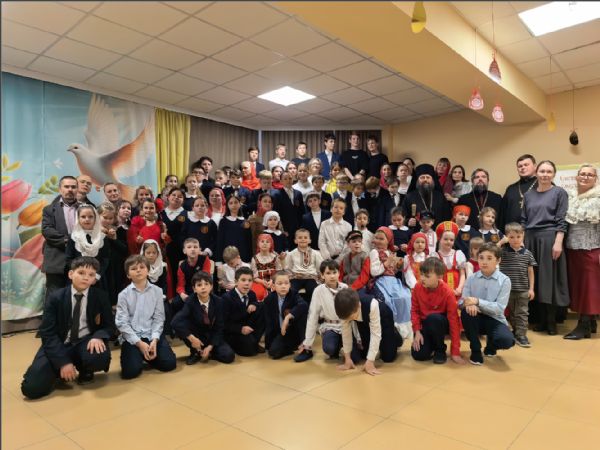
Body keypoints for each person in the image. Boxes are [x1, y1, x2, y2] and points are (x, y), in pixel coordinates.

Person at [21, 257, 112, 399]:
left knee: (99, 356)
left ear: (94, 279)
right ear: (70, 274)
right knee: (31, 389)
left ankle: (85, 369)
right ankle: (58, 370)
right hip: (60, 343)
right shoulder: (55, 297)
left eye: (91, 275)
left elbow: (109, 325)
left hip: (84, 341)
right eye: (81, 273)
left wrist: (98, 336)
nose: (86, 277)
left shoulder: (101, 296)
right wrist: (63, 362)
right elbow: (47, 333)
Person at [521, 160, 569, 335]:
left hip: (550, 238)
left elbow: (562, 219)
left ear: (554, 174)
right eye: (542, 171)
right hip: (530, 239)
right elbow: (524, 220)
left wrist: (558, 242)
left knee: (549, 279)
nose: (545, 174)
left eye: (549, 171)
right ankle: (541, 320)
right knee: (535, 278)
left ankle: (551, 321)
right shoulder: (528, 195)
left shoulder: (559, 192)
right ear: (536, 173)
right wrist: (522, 243)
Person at [116, 255, 176, 379]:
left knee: (169, 364)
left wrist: (154, 340)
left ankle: (146, 355)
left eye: (142, 267)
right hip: (133, 337)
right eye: (133, 268)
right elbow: (122, 323)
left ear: (148, 270)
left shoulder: (157, 291)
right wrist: (139, 344)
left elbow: (159, 318)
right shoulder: (123, 295)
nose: (138, 270)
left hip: (151, 334)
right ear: (128, 275)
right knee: (130, 372)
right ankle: (139, 354)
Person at [459, 243, 515, 365]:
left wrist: (477, 301)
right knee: (466, 313)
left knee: (506, 340)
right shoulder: (471, 278)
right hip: (476, 318)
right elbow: (462, 301)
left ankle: (491, 345)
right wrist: (468, 304)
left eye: (489, 258)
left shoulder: (505, 281)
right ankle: (475, 350)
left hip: (495, 318)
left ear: (498, 260)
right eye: (481, 258)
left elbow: (499, 308)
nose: (484, 262)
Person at [564, 164, 600, 340]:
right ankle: (591, 322)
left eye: (590, 175)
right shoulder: (571, 196)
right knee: (579, 287)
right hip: (573, 248)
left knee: (589, 288)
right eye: (582, 174)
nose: (585, 177)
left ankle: (583, 325)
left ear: (595, 179)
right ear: (577, 177)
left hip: (591, 248)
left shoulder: (598, 198)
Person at [171, 271, 235, 365]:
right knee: (181, 325)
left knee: (229, 356)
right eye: (199, 285)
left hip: (212, 335)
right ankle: (195, 351)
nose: (203, 287)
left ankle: (208, 352)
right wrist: (192, 338)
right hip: (197, 335)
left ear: (211, 286)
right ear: (194, 289)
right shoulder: (190, 301)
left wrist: (210, 346)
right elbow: (175, 322)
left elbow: (219, 326)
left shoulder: (218, 301)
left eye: (206, 284)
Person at [335, 288, 400, 375]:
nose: (349, 320)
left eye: (351, 317)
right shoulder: (344, 310)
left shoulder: (372, 304)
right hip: (363, 320)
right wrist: (347, 359)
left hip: (383, 317)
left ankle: (395, 335)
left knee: (388, 357)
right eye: (348, 318)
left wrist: (370, 362)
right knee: (365, 354)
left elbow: (375, 334)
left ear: (358, 305)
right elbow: (346, 334)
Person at [411, 258, 464, 364]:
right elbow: (414, 311)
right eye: (421, 274)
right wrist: (417, 331)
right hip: (424, 325)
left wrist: (455, 352)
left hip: (440, 324)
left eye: (427, 276)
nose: (422, 278)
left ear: (439, 277)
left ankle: (440, 349)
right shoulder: (417, 287)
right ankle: (432, 345)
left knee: (434, 318)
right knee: (419, 355)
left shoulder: (448, 292)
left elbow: (454, 322)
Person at [295, 260, 347, 362]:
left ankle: (343, 346)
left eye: (334, 272)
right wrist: (307, 344)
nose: (332, 276)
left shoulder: (345, 287)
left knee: (355, 357)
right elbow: (313, 316)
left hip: (346, 326)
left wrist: (358, 338)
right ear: (322, 275)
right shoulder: (318, 290)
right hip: (330, 326)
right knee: (329, 349)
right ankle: (336, 347)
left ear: (339, 273)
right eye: (328, 273)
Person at [42, 175, 80, 306]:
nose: (70, 189)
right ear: (60, 189)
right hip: (55, 259)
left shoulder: (85, 209)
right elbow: (47, 230)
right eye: (66, 186)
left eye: (73, 187)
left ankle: (68, 320)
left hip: (77, 260)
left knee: (73, 297)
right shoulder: (49, 209)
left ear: (77, 189)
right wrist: (69, 241)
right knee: (54, 296)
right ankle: (50, 320)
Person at [369, 226, 412, 338]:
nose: (378, 241)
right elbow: (374, 271)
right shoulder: (374, 252)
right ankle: (391, 327)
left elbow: (393, 270)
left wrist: (397, 266)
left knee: (405, 296)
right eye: (376, 238)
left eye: (381, 238)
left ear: (388, 240)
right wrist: (387, 262)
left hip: (393, 281)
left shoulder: (390, 252)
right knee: (387, 300)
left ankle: (403, 327)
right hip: (381, 281)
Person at [500, 223, 537, 348]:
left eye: (518, 236)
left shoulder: (527, 254)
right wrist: (501, 242)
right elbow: (491, 252)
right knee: (510, 313)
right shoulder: (503, 253)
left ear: (523, 236)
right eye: (511, 237)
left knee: (522, 313)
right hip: (507, 290)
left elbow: (530, 272)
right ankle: (515, 332)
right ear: (507, 237)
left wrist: (531, 289)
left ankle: (521, 335)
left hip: (523, 290)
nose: (515, 240)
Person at [263, 271, 309, 359]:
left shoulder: (293, 294)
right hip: (280, 332)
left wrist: (288, 317)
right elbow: (269, 323)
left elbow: (304, 305)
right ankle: (289, 348)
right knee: (273, 352)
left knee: (301, 311)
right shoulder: (269, 299)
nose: (283, 286)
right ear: (273, 286)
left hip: (293, 331)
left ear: (290, 285)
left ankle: (303, 343)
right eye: (280, 284)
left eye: (286, 283)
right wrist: (269, 343)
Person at [221, 267, 266, 356]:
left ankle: (254, 342)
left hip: (247, 327)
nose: (247, 283)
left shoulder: (251, 294)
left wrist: (254, 304)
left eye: (250, 280)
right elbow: (223, 323)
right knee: (250, 352)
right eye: (243, 280)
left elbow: (256, 307)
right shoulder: (226, 298)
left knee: (262, 307)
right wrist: (240, 329)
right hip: (234, 332)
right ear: (236, 281)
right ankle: (248, 344)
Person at [65, 205, 109, 288]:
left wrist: (96, 276)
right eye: (83, 217)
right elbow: (69, 258)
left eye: (90, 217)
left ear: (95, 218)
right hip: (77, 278)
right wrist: (80, 273)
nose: (87, 219)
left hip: (97, 280)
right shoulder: (73, 237)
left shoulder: (102, 237)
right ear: (78, 219)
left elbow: (105, 259)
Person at [401, 163, 451, 230]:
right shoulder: (409, 197)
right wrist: (408, 221)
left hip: (437, 232)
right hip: (417, 234)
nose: (425, 180)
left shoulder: (440, 196)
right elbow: (402, 217)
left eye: (428, 177)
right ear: (417, 180)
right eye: (422, 177)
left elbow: (447, 217)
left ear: (432, 180)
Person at [172, 238, 212, 317]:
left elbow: (206, 278)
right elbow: (180, 285)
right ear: (184, 251)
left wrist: (197, 291)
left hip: (203, 286)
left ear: (199, 250)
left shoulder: (204, 259)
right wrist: (182, 293)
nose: (193, 249)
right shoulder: (182, 266)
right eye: (189, 247)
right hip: (189, 290)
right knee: (175, 302)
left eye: (195, 247)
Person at [500, 154, 538, 230]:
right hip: (512, 233)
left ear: (535, 166)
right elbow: (502, 214)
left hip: (535, 232)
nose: (523, 167)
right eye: (520, 166)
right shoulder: (511, 189)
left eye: (526, 165)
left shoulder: (543, 186)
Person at [285, 229, 323, 302]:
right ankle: (295, 306)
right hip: (296, 277)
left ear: (310, 240)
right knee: (291, 290)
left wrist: (320, 277)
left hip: (310, 277)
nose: (303, 239)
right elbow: (288, 267)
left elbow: (320, 266)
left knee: (313, 290)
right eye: (300, 238)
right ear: (295, 241)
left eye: (305, 237)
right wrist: (290, 276)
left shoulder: (315, 253)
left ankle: (310, 307)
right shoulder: (291, 254)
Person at [159, 187, 187, 283]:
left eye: (180, 196)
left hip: (181, 252)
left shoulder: (188, 214)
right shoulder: (160, 214)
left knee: (180, 278)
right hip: (164, 252)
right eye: (173, 195)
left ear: (183, 200)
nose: (176, 197)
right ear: (168, 197)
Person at [433, 222, 467, 298]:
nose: (449, 242)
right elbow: (436, 276)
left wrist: (460, 288)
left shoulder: (458, 254)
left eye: (451, 240)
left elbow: (462, 274)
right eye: (445, 239)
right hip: (441, 291)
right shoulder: (435, 256)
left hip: (457, 291)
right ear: (440, 239)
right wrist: (448, 290)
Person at [272, 172, 305, 249]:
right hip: (285, 227)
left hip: (297, 227)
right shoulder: (277, 194)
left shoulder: (298, 193)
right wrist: (281, 229)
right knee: (287, 248)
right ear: (281, 181)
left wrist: (301, 227)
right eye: (285, 179)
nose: (288, 180)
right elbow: (276, 213)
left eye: (290, 178)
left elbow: (302, 211)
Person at [216, 194, 252, 263]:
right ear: (227, 206)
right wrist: (218, 261)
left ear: (240, 204)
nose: (234, 205)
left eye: (236, 202)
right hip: (228, 258)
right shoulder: (223, 221)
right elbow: (220, 242)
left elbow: (249, 242)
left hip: (243, 258)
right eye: (231, 203)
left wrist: (249, 260)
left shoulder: (245, 222)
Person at [251, 233, 284, 301]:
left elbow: (279, 272)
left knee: (279, 292)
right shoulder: (254, 259)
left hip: (274, 281)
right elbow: (254, 277)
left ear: (271, 244)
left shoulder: (275, 257)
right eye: (262, 241)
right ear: (258, 244)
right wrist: (262, 282)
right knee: (258, 293)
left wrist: (272, 281)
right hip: (259, 282)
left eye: (267, 242)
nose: (265, 243)